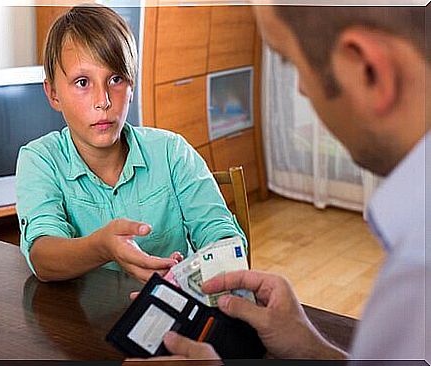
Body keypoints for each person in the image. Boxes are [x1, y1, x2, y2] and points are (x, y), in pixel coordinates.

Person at [143, 4, 429, 361]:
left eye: (290, 61)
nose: (302, 90)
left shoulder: (418, 277)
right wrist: (313, 350)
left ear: (368, 70)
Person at [15, 5, 245, 283]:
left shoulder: (172, 152)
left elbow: (221, 237)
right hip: (81, 323)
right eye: (82, 82)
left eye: (115, 79)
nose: (103, 100)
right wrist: (103, 246)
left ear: (132, 86)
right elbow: (42, 257)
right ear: (53, 93)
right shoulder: (39, 159)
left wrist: (192, 282)